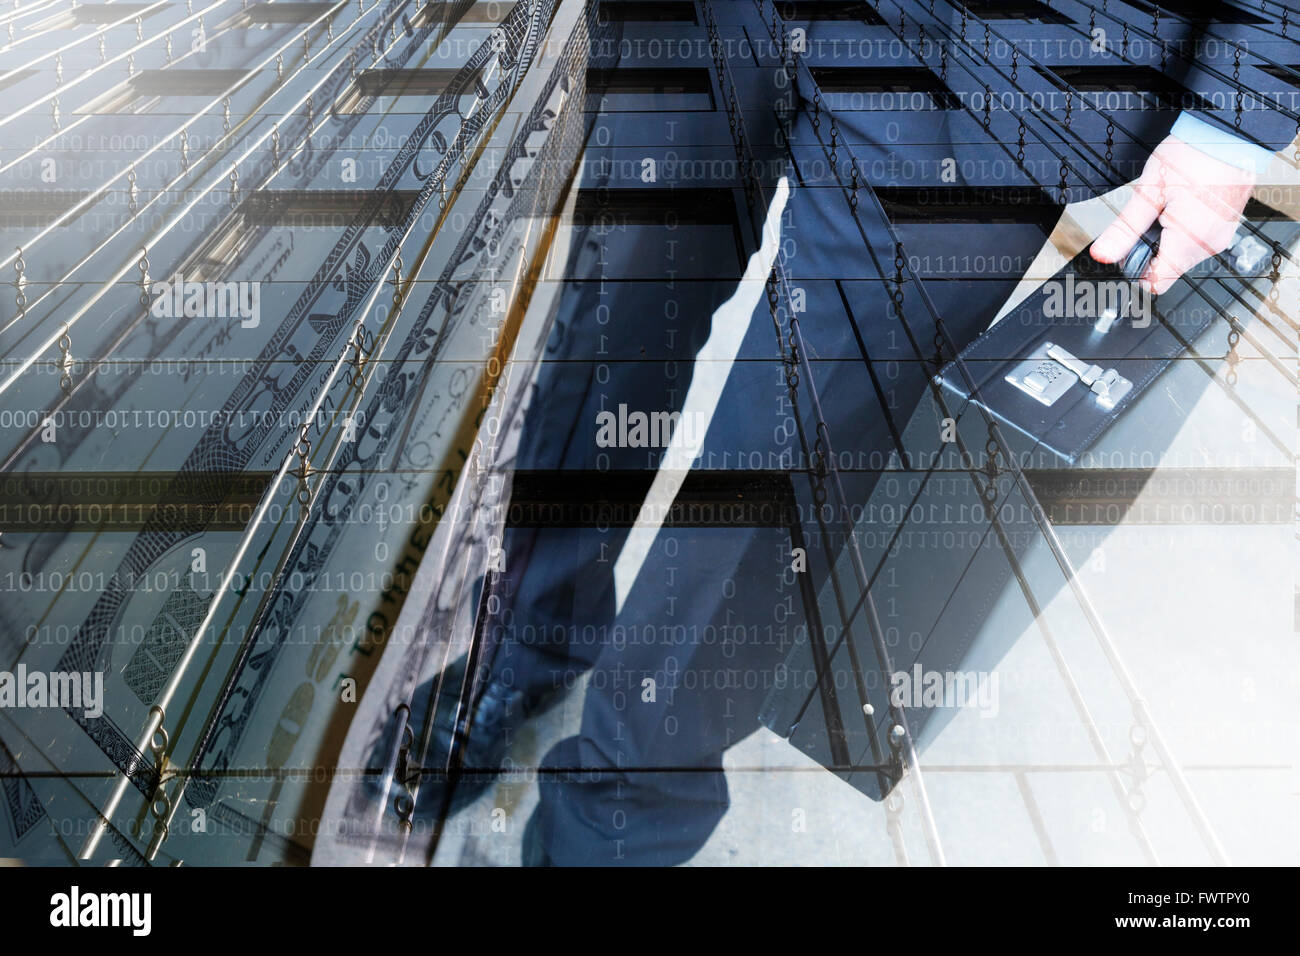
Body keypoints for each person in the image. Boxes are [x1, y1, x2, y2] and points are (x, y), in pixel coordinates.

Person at [374, 0, 1298, 865]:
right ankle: (527, 639)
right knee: (610, 322)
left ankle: (614, 818)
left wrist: (1234, 111)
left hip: (994, 62)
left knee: (776, 472)